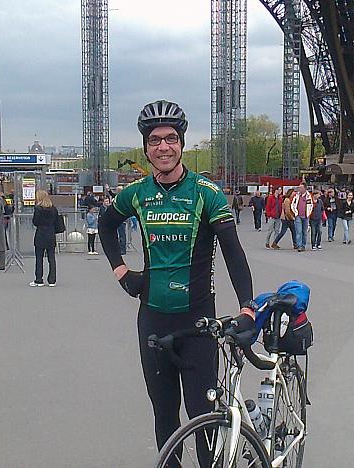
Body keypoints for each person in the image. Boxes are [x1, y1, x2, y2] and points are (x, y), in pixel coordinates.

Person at [98, 100, 256, 455]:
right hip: (153, 321)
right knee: (165, 415)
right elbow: (106, 226)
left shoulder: (206, 193)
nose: (163, 147)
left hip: (198, 323)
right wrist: (122, 272)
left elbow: (233, 252)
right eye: (155, 140)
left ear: (182, 144)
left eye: (171, 138)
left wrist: (247, 306)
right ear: (146, 149)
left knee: (203, 416)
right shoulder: (137, 193)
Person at [30, 190, 60, 286]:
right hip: (51, 234)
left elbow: (35, 222)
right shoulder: (53, 209)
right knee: (51, 258)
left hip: (40, 234)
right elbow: (56, 222)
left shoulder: (38, 209)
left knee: (39, 258)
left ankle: (39, 279)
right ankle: (52, 280)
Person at [291, 182, 313, 252]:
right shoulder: (296, 195)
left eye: (301, 187)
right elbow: (293, 204)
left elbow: (311, 205)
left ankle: (303, 245)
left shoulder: (308, 196)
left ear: (305, 188)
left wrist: (308, 213)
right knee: (299, 231)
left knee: (304, 232)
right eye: (299, 187)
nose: (299, 189)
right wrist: (295, 212)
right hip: (298, 216)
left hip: (306, 216)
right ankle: (299, 246)